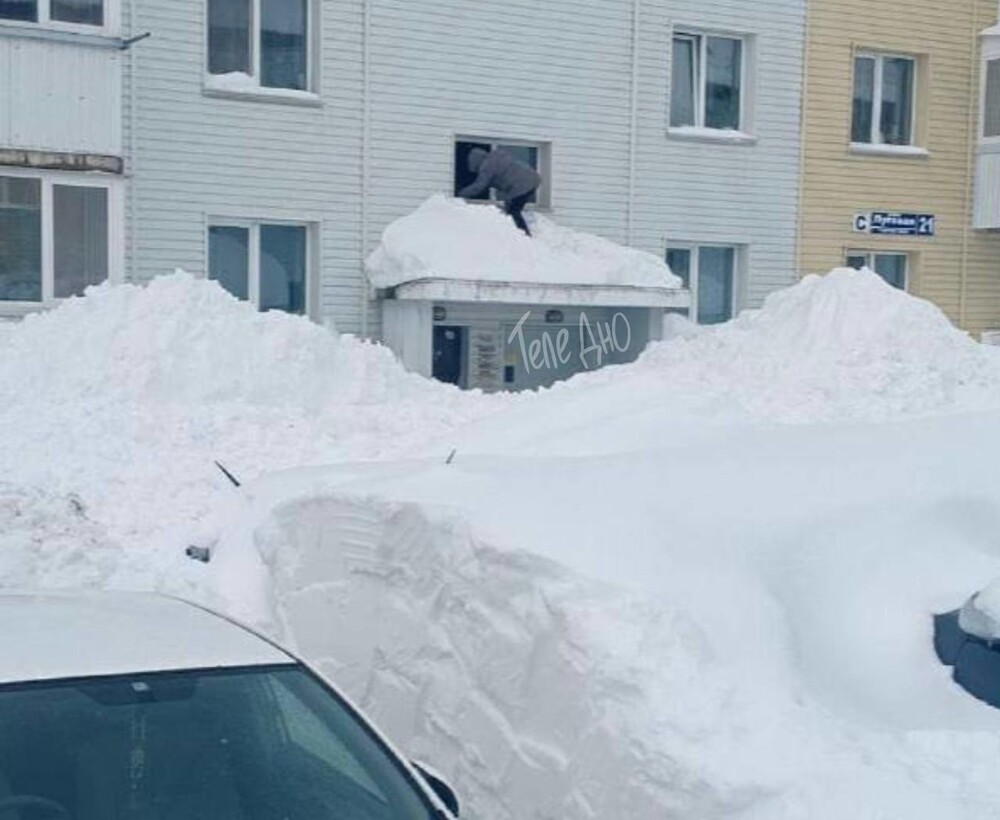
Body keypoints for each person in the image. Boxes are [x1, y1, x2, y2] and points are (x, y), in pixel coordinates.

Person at [458, 147, 542, 236]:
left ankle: (524, 236)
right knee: (512, 206)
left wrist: (461, 194)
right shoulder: (496, 157)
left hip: (521, 184)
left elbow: (479, 186)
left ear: (476, 161)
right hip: (533, 179)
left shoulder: (487, 165)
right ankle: (519, 234)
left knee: (512, 210)